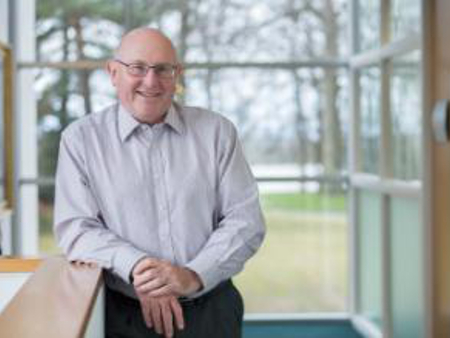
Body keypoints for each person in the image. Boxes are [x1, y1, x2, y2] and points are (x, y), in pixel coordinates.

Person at [53, 27, 265, 338]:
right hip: (123, 317)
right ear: (113, 73)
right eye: (137, 68)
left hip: (211, 313)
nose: (150, 81)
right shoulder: (80, 140)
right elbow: (76, 228)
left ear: (177, 74)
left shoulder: (217, 132)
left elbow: (245, 221)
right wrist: (140, 269)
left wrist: (191, 275)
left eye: (163, 69)